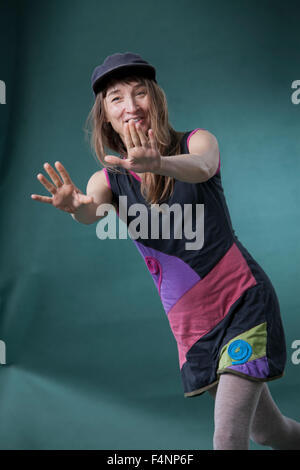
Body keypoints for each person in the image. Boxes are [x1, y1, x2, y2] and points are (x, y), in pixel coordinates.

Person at [31, 52, 300, 450]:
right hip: (194, 327)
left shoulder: (197, 141)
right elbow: (91, 211)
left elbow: (203, 167)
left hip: (244, 303)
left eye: (140, 93)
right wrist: (75, 207)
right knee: (268, 432)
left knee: (227, 438)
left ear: (155, 99)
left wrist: (159, 162)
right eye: (117, 98)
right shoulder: (109, 179)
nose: (131, 105)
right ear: (105, 114)